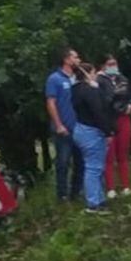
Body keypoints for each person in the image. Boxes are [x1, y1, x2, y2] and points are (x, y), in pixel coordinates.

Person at [71, 64, 116, 213]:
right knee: (93, 168)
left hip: (80, 129)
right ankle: (93, 203)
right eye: (94, 72)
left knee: (94, 166)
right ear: (87, 74)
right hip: (92, 131)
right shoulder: (89, 91)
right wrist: (108, 131)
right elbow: (99, 112)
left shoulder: (75, 89)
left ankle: (99, 199)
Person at [45, 47, 83, 202]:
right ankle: (62, 195)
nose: (78, 60)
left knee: (80, 162)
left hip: (79, 128)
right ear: (67, 59)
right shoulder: (55, 78)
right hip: (63, 129)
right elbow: (51, 102)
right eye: (76, 57)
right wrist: (58, 124)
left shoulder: (77, 78)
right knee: (63, 162)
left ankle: (76, 193)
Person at [99, 55, 131, 199]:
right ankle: (110, 188)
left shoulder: (122, 79)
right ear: (103, 66)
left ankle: (125, 186)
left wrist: (130, 105)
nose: (113, 66)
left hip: (124, 118)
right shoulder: (99, 81)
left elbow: (130, 96)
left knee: (123, 153)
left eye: (115, 63)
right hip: (108, 120)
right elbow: (102, 101)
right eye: (110, 64)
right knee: (109, 156)